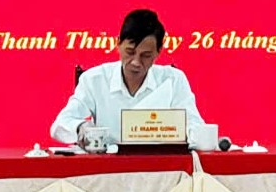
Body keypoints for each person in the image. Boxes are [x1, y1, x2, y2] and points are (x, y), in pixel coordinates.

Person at [50, 9, 206, 146]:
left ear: (159, 51)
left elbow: (194, 126)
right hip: (108, 166)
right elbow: (60, 124)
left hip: (161, 165)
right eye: (130, 52)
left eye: (146, 55)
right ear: (118, 44)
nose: (136, 62)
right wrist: (81, 127)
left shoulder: (173, 80)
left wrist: (197, 136)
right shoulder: (94, 80)